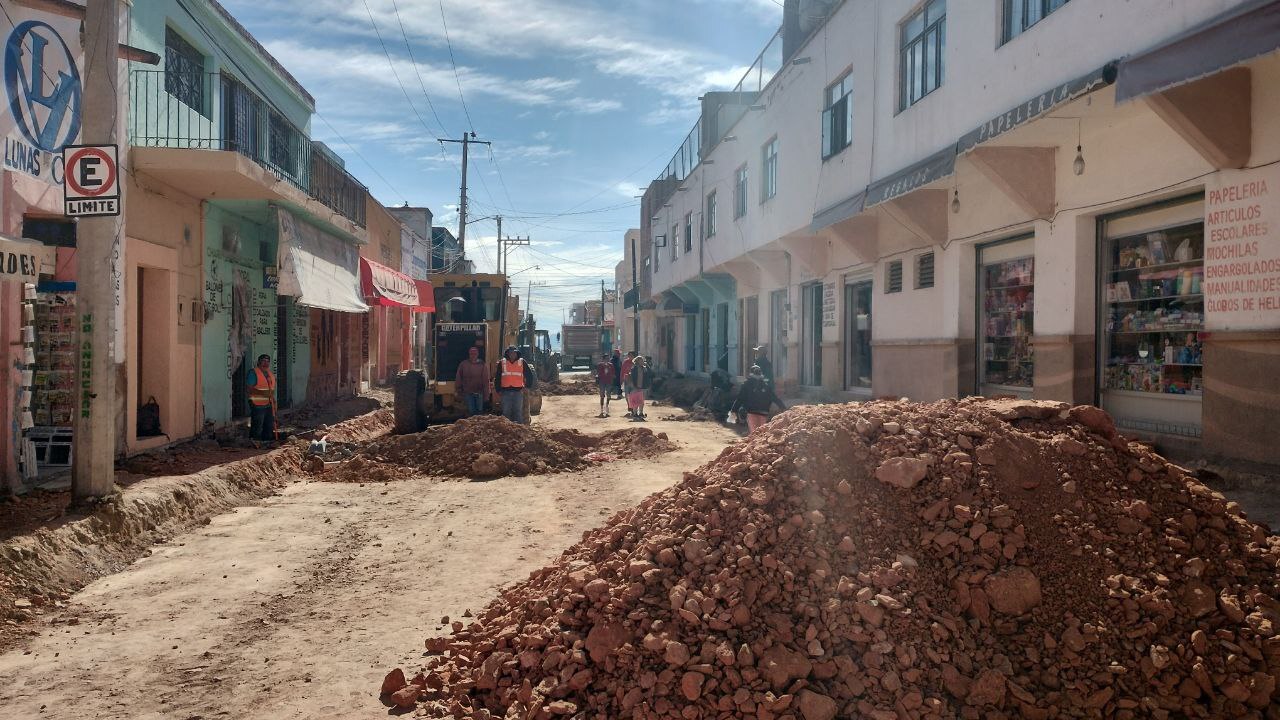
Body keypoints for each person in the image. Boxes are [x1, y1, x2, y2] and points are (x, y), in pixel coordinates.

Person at [730, 364, 787, 433]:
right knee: (762, 432)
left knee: (754, 433)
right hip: (764, 412)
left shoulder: (746, 384)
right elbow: (775, 398)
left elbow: (740, 399)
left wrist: (733, 410)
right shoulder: (766, 385)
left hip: (751, 412)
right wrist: (783, 408)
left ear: (750, 373)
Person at [494, 345, 536, 424]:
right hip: (505, 392)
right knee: (506, 412)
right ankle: (507, 430)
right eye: (511, 353)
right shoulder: (502, 363)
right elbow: (498, 377)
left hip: (518, 392)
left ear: (517, 353)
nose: (512, 354)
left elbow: (529, 375)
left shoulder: (522, 362)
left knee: (517, 412)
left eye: (514, 353)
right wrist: (498, 389)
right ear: (508, 354)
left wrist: (527, 386)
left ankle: (519, 430)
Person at [247, 353, 276, 446]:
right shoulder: (253, 372)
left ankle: (266, 442)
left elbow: (271, 389)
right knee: (257, 424)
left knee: (268, 423)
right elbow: (249, 388)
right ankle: (255, 441)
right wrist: (263, 393)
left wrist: (274, 402)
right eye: (263, 361)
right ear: (259, 362)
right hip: (257, 402)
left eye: (268, 361)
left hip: (268, 403)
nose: (266, 363)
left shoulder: (270, 374)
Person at [455, 346, 488, 417]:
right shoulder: (463, 364)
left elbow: (485, 380)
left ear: (477, 354)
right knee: (471, 412)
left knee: (479, 412)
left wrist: (486, 395)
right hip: (468, 392)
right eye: (471, 353)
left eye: (475, 353)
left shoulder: (482, 364)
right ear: (469, 354)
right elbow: (458, 378)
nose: (473, 355)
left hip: (479, 392)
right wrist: (459, 390)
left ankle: (479, 427)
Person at [628, 355, 650, 421]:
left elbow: (650, 374)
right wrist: (632, 386)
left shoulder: (644, 368)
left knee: (642, 401)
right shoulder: (634, 368)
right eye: (641, 360)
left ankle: (641, 413)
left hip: (643, 386)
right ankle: (635, 413)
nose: (642, 361)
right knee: (636, 401)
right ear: (637, 361)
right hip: (635, 387)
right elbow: (631, 377)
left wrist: (647, 367)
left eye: (642, 360)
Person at [594, 352, 616, 417]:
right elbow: (599, 372)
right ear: (603, 359)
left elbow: (613, 373)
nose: (607, 360)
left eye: (608, 358)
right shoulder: (600, 365)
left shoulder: (611, 365)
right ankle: (601, 409)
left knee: (608, 395)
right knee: (602, 395)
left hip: (609, 381)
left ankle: (607, 407)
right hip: (602, 382)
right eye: (606, 358)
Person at [621, 350, 638, 417]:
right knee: (627, 395)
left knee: (633, 395)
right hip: (626, 380)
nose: (630, 357)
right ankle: (629, 406)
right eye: (629, 355)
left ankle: (633, 409)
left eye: (631, 355)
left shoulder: (636, 363)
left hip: (634, 381)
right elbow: (622, 371)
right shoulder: (625, 362)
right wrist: (621, 379)